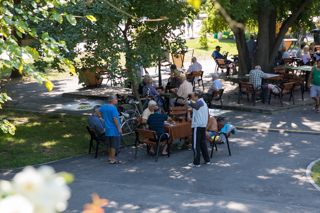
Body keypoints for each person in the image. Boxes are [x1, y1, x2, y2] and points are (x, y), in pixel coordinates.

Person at [183, 91, 210, 167]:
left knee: (195, 144)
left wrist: (188, 102)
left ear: (197, 97)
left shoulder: (199, 102)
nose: (192, 98)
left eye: (193, 97)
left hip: (197, 126)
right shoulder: (203, 102)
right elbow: (195, 104)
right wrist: (190, 101)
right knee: (202, 143)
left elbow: (196, 105)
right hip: (202, 125)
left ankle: (196, 162)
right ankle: (207, 160)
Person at [99, 95, 122, 164]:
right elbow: (115, 119)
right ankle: (113, 159)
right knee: (114, 145)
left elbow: (99, 112)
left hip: (107, 128)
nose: (117, 100)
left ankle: (110, 157)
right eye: (116, 99)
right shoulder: (113, 108)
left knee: (109, 144)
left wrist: (104, 118)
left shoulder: (104, 106)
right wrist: (119, 128)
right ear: (112, 101)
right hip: (114, 129)